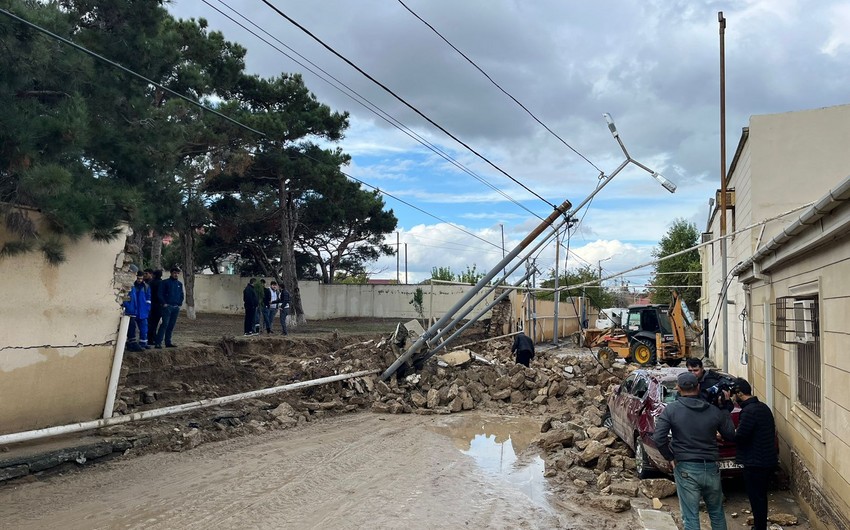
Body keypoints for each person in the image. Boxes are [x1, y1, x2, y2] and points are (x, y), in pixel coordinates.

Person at [652, 371, 735, 530]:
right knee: (717, 512)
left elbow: (659, 438)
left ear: (678, 388)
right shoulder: (713, 411)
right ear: (698, 387)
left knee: (690, 517)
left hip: (686, 468)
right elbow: (730, 435)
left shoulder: (671, 410)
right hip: (711, 467)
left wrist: (670, 457)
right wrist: (724, 408)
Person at [732, 377, 778, 530]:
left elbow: (741, 437)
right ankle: (760, 526)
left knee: (756, 498)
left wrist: (725, 434)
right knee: (761, 497)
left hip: (755, 462)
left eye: (734, 395)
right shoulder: (763, 407)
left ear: (739, 393)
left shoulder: (749, 411)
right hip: (766, 460)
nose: (733, 399)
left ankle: (759, 527)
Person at [155, 266, 184, 348]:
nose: (176, 275)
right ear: (171, 273)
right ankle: (158, 342)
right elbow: (160, 293)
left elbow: (181, 295)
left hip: (176, 307)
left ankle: (168, 342)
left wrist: (179, 303)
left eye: (177, 273)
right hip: (167, 306)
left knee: (171, 325)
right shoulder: (165, 282)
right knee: (165, 324)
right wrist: (164, 303)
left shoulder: (179, 284)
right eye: (175, 273)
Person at [124, 271, 151, 351]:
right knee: (132, 329)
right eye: (138, 278)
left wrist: (147, 309)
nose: (139, 280)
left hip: (142, 311)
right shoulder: (131, 286)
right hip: (133, 311)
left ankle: (143, 343)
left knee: (144, 329)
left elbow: (148, 299)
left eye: (141, 278)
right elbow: (126, 298)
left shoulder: (146, 287)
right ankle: (132, 344)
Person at [145, 269, 162, 347]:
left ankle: (150, 338)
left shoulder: (150, 283)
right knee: (154, 324)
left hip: (150, 304)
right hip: (158, 305)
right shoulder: (161, 283)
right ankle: (152, 339)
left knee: (151, 323)